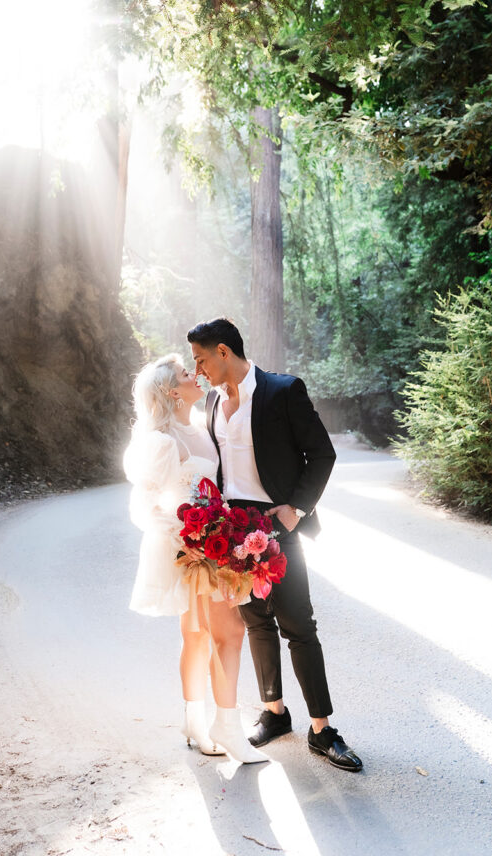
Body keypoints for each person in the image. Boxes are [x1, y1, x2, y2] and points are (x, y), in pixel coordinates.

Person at [187, 319, 363, 772]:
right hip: (230, 531)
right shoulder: (209, 404)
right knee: (255, 624)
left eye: (201, 359)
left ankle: (323, 731)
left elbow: (322, 453)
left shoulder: (283, 391)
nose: (199, 369)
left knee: (298, 625)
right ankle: (275, 713)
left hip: (278, 524)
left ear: (224, 351)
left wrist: (294, 510)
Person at [123, 354, 267, 764]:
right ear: (172, 390)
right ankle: (225, 723)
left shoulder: (201, 428)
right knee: (226, 632)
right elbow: (146, 505)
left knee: (203, 635)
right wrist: (186, 537)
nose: (196, 376)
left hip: (215, 541)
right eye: (188, 375)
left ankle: (195, 720)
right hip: (191, 549)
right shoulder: (162, 441)